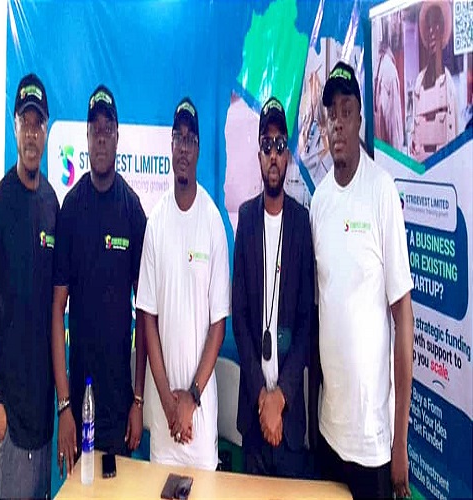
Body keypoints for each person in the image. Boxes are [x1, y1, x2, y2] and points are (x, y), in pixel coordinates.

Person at [310, 61, 414, 499]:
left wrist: (400, 441)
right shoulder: (319, 202)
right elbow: (323, 311)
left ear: (359, 121)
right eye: (331, 113)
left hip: (373, 443)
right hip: (329, 430)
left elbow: (403, 319)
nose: (338, 122)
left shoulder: (381, 192)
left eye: (346, 111)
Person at [52, 84, 147, 476]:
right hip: (79, 404)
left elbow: (146, 313)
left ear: (118, 136)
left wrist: (138, 401)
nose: (102, 137)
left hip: (119, 407)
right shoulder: (71, 210)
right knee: (82, 492)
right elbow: (56, 310)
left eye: (109, 129)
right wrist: (64, 406)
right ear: (87, 137)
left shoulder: (132, 210)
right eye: (96, 130)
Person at [0, 73, 58, 499]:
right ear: (15, 127)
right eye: (25, 123)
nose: (31, 133)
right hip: (11, 418)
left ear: (46, 131)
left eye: (38, 124)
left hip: (44, 416)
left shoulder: (51, 203)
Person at [136, 97, 230, 470]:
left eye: (191, 140)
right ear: (171, 145)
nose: (184, 148)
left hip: (199, 416)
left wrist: (190, 398)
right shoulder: (156, 222)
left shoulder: (212, 222)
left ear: (199, 148)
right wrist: (167, 401)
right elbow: (147, 317)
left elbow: (218, 325)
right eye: (179, 138)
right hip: (164, 417)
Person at [232, 96, 315, 478]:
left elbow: (306, 322)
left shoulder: (301, 223)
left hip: (290, 418)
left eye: (280, 145)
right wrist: (262, 399)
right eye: (267, 145)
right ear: (259, 155)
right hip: (253, 418)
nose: (274, 155)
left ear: (288, 155)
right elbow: (240, 317)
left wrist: (280, 398)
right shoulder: (247, 219)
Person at [410, 1, 457, 161]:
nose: (431, 32)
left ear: (443, 30)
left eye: (436, 25)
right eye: (428, 26)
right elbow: (413, 135)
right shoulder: (419, 83)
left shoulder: (449, 86)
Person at [374, 12, 404, 150]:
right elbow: (395, 138)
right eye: (396, 17)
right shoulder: (389, 71)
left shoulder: (379, 66)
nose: (399, 23)